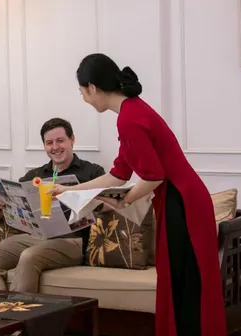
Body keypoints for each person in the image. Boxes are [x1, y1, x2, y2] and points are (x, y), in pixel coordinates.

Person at [50, 54, 227, 336]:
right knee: (183, 283)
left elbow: (154, 175)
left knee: (185, 285)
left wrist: (126, 199)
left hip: (181, 202)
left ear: (93, 87)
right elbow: (119, 173)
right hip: (180, 198)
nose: (84, 98)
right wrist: (69, 189)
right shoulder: (131, 110)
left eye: (82, 92)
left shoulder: (129, 119)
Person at [0, 117, 105, 293]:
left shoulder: (92, 172)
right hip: (35, 237)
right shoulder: (34, 176)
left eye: (60, 140)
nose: (55, 147)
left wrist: (76, 196)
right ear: (44, 146)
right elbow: (6, 212)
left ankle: (19, 309)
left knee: (29, 256)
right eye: (49, 143)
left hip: (71, 242)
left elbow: (107, 204)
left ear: (72, 140)